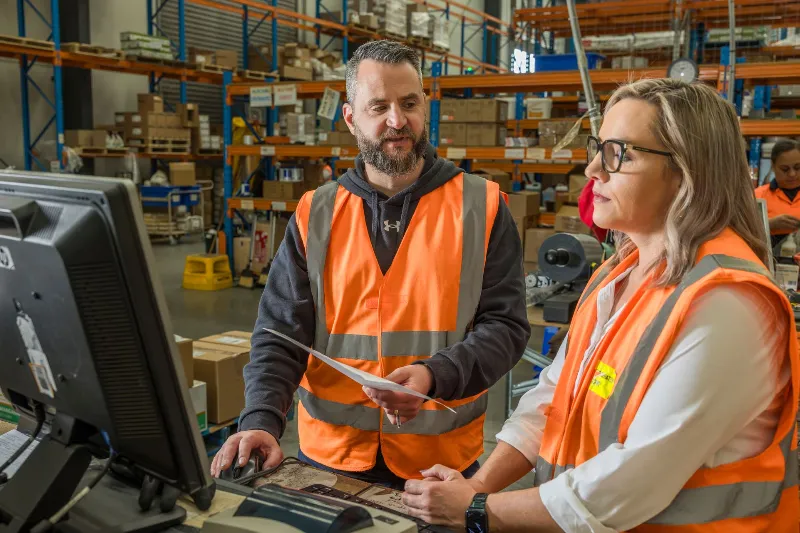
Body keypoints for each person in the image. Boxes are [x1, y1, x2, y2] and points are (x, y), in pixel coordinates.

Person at [402, 79, 799, 531]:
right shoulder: (617, 273)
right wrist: (480, 486)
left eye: (620, 153)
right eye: (599, 148)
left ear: (687, 169)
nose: (593, 169)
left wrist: (478, 512)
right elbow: (553, 396)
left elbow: (631, 481)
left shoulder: (727, 303)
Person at [209, 40, 530, 490]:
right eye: (379, 106)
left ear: (426, 106)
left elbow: (506, 327)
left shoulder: (482, 207)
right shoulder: (314, 213)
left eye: (409, 103)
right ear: (350, 117)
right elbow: (280, 332)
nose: (397, 121)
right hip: (328, 461)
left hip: (440, 466)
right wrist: (261, 418)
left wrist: (433, 376)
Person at [755, 138, 800, 249]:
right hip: (769, 260)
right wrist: (769, 224)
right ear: (773, 166)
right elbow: (742, 230)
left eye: (798, 168)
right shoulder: (758, 196)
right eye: (785, 169)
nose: (792, 174)